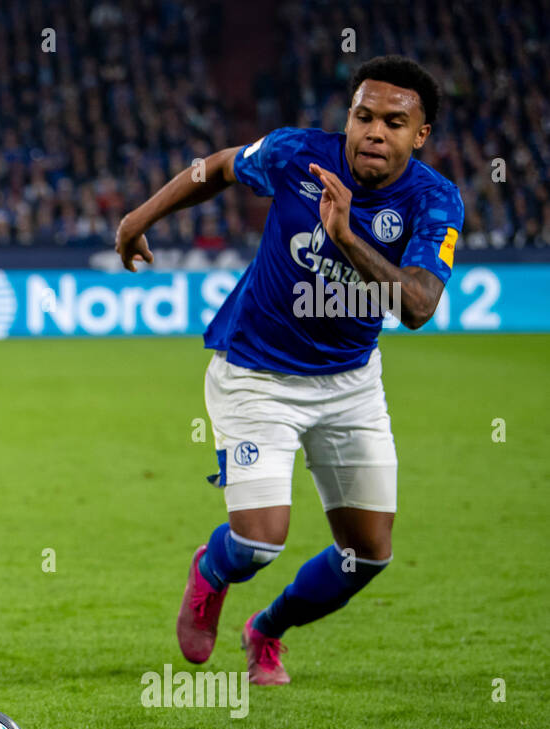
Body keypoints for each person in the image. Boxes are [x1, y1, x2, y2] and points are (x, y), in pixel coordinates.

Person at [114, 56, 463, 684]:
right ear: (348, 118)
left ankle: (266, 630)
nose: (374, 132)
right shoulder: (295, 154)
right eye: (363, 116)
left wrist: (347, 235)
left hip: (351, 383)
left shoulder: (436, 202)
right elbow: (219, 166)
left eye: (393, 121)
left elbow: (416, 305)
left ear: (421, 135)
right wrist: (141, 217)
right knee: (258, 541)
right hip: (256, 372)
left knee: (367, 556)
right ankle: (211, 571)